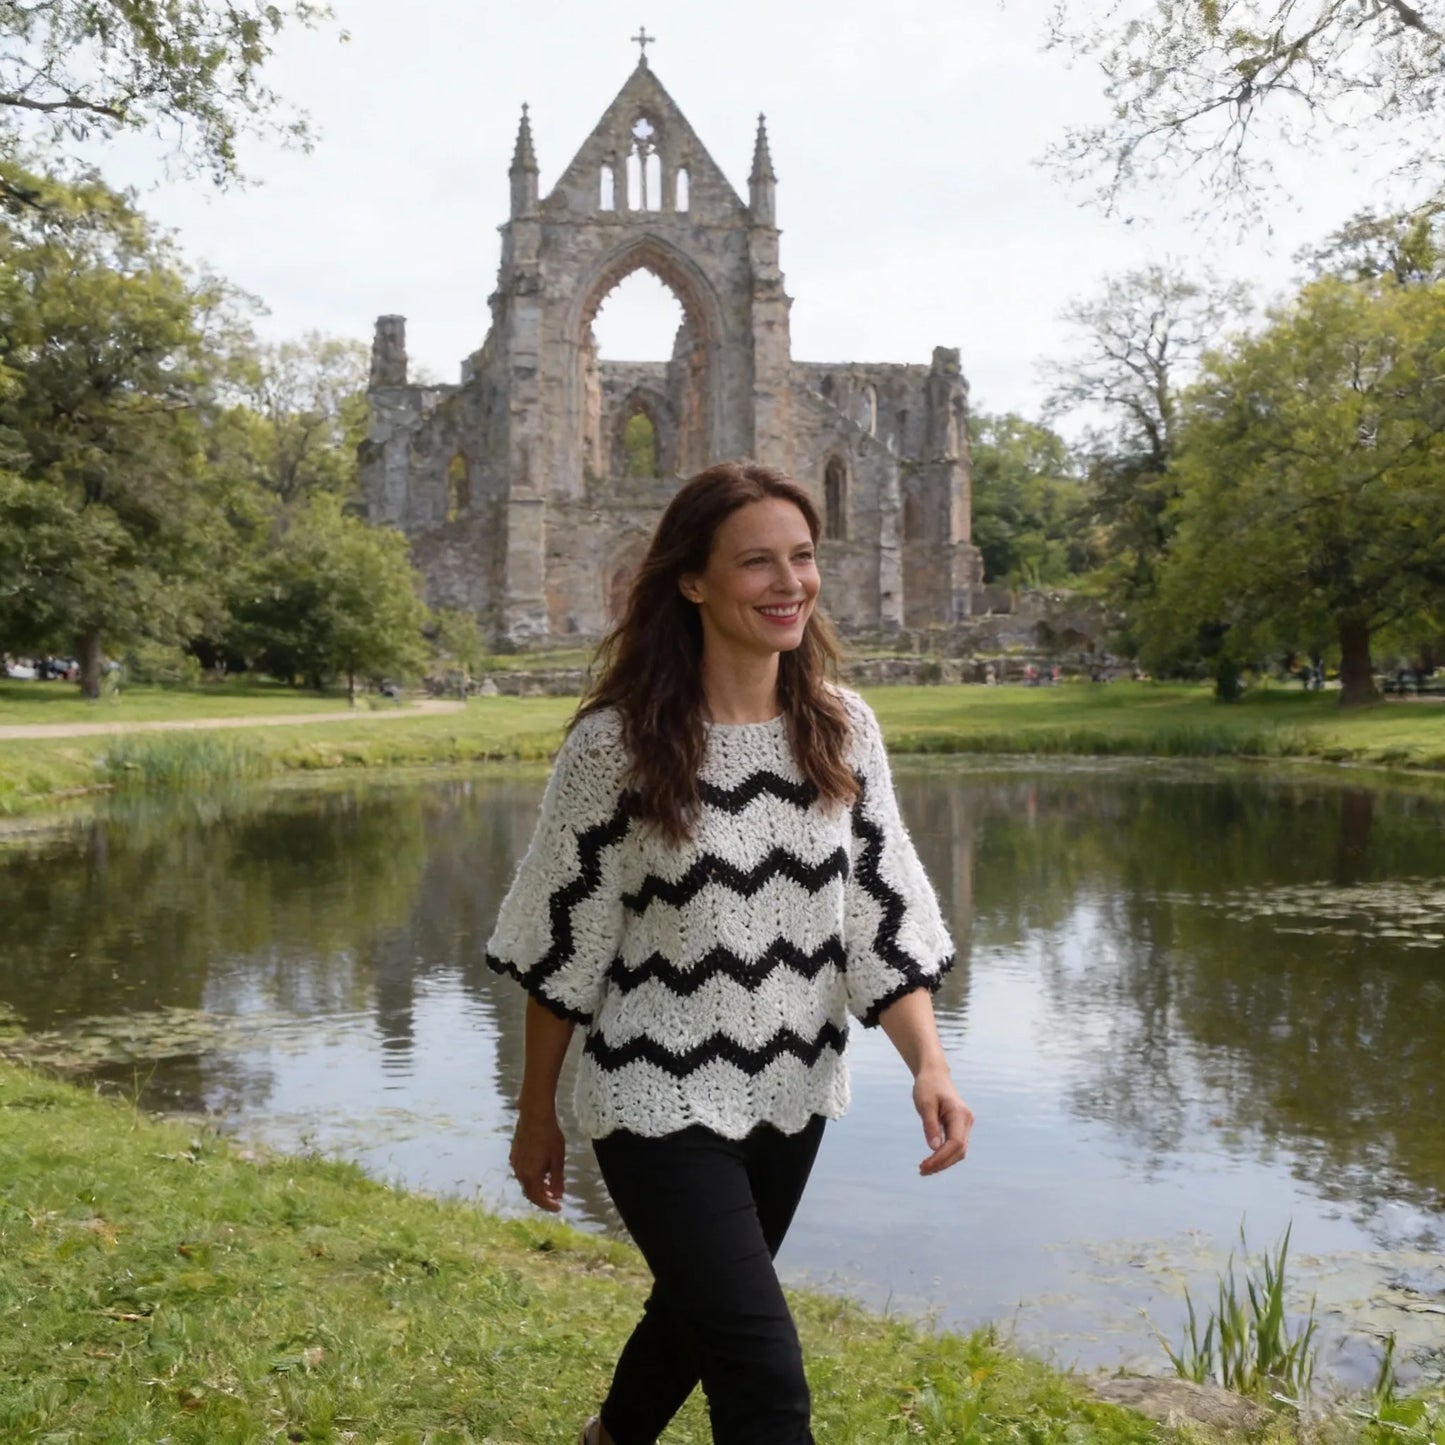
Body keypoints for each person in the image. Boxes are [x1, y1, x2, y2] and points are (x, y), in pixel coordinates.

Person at [486, 461, 974, 1445]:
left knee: (689, 1317)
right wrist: (537, 1110)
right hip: (650, 1092)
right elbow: (562, 945)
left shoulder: (840, 726)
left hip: (792, 1088)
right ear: (692, 580)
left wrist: (928, 1059)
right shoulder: (615, 747)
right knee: (763, 1376)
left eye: (800, 556)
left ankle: (607, 1438)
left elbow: (875, 912)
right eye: (756, 561)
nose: (788, 581)